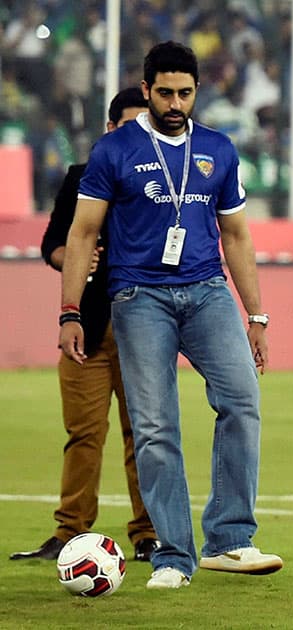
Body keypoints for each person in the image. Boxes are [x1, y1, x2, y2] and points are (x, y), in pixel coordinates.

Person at [58, 41, 282, 590]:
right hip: (139, 297)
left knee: (242, 401)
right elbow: (83, 232)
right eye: (165, 93)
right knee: (157, 427)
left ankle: (229, 540)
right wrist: (69, 311)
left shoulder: (218, 150)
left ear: (197, 91)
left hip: (207, 293)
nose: (175, 103)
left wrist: (257, 316)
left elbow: (237, 236)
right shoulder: (114, 152)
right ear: (147, 88)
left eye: (185, 93)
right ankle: (173, 557)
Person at [11, 88, 160, 563]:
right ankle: (70, 533)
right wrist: (72, 257)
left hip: (146, 330)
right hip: (88, 329)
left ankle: (150, 536)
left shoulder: (167, 183)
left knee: (147, 436)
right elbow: (53, 243)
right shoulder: (80, 178)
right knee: (84, 434)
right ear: (111, 129)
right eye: (132, 126)